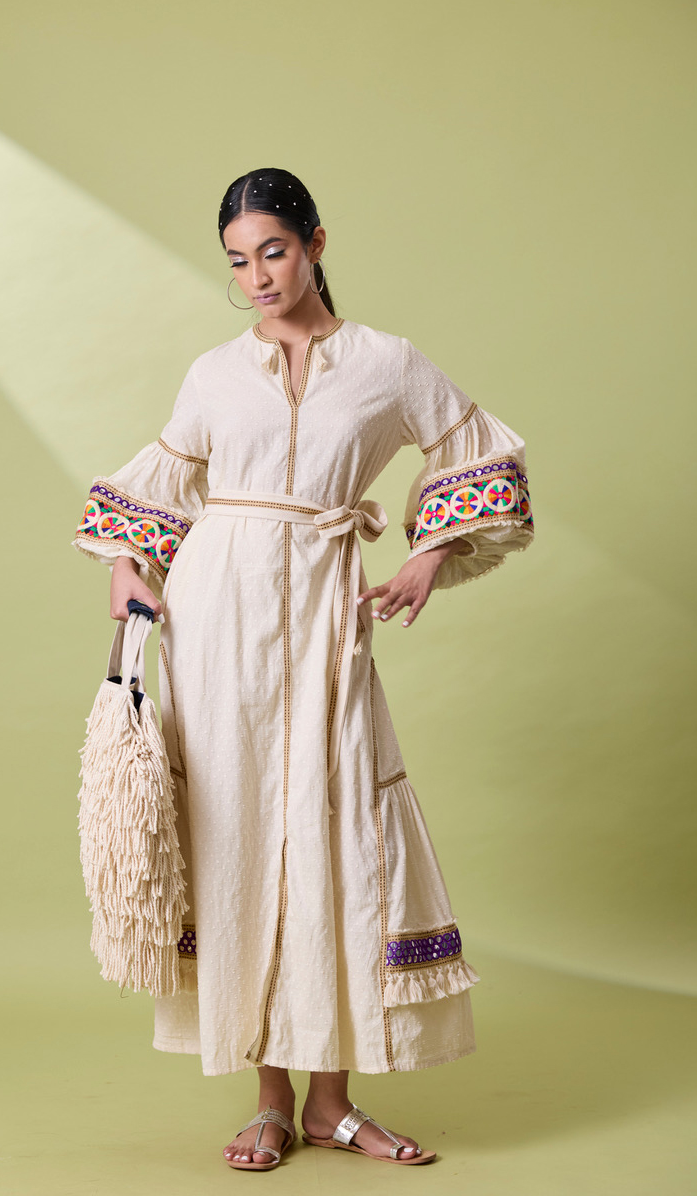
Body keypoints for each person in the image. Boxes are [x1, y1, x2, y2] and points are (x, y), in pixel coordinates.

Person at [71, 167, 534, 1170]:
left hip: (327, 612)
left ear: (315, 243)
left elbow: (474, 450)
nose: (258, 278)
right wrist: (125, 566)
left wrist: (427, 553)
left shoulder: (386, 364)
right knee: (233, 834)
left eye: (273, 252)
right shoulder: (213, 373)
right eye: (238, 262)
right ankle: (270, 1101)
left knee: (335, 833)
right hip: (213, 616)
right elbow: (164, 482)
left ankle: (333, 1102)